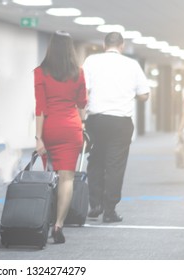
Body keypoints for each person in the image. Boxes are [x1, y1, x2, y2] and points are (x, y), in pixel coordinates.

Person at [82, 32, 150, 223]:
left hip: (96, 119)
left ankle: (95, 204)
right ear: (122, 46)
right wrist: (130, 94)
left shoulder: (91, 61)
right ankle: (110, 210)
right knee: (115, 166)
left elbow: (83, 90)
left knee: (95, 161)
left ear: (105, 45)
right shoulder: (132, 64)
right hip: (121, 122)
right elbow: (144, 94)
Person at [34, 31, 87, 244]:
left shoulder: (40, 72)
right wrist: (82, 124)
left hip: (50, 128)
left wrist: (39, 138)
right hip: (71, 128)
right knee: (67, 178)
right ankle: (58, 225)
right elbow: (82, 103)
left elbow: (40, 109)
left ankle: (46, 219)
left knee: (50, 177)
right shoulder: (78, 72)